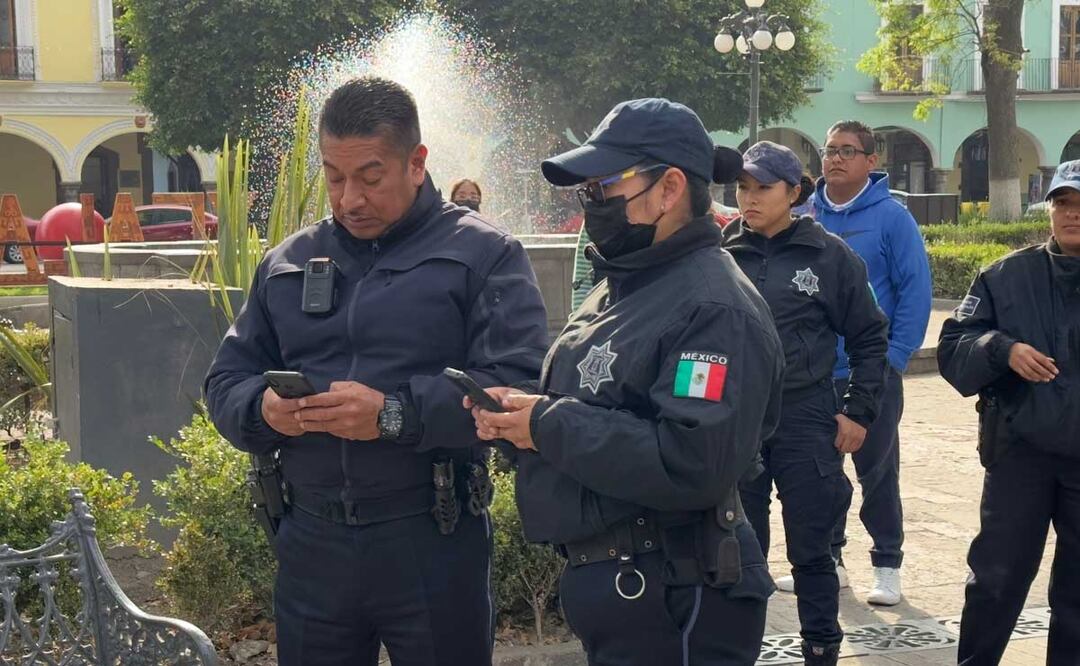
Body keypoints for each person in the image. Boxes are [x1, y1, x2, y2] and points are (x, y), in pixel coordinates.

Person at [204, 77, 549, 666]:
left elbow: (513, 388)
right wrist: (262, 410)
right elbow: (223, 384)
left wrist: (393, 414)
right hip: (310, 540)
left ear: (417, 162)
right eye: (333, 177)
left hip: (431, 535)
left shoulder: (485, 255)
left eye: (370, 177)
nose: (349, 199)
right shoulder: (287, 262)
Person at [467, 98, 784, 665]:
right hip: (627, 591)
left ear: (668, 189)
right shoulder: (629, 280)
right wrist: (521, 422)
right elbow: (594, 408)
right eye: (586, 191)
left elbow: (692, 460)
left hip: (676, 597)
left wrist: (547, 423)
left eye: (603, 188)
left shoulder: (714, 309)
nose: (591, 205)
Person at [724, 141, 889, 665]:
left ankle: (821, 649)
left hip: (807, 417)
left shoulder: (830, 256)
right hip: (736, 422)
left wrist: (859, 411)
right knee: (736, 550)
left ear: (794, 192)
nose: (749, 198)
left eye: (763, 187)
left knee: (812, 552)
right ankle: (737, 651)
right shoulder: (719, 254)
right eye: (743, 187)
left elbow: (868, 337)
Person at [938, 159, 1080, 665]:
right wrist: (1002, 349)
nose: (1072, 214)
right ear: (1049, 210)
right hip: (1020, 453)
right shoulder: (1005, 275)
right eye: (1063, 203)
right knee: (995, 581)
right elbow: (954, 350)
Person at [803, 120, 932, 606]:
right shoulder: (805, 214)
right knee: (820, 473)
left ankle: (887, 564)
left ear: (870, 162)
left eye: (847, 151)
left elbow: (916, 293)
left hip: (871, 372)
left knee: (876, 471)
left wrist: (893, 361)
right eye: (829, 149)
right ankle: (830, 561)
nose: (835, 158)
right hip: (813, 375)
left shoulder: (892, 218)